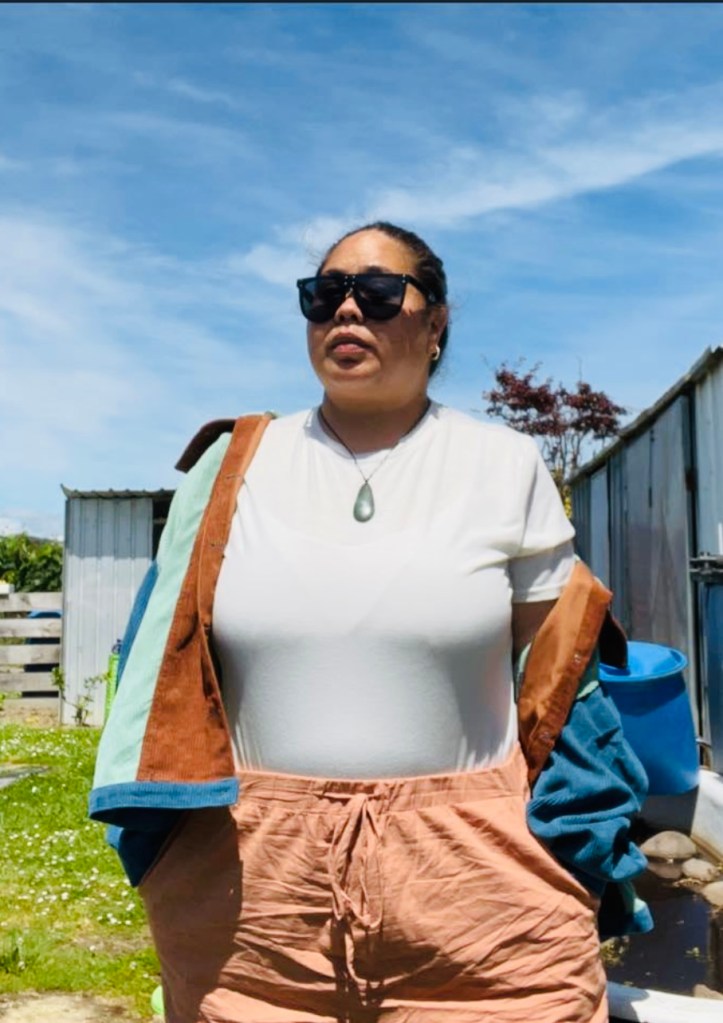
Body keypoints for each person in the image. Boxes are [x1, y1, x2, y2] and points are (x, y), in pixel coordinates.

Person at [90, 222, 645, 1023]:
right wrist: (167, 859)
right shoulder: (230, 470)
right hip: (250, 898)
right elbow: (163, 674)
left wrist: (571, 857)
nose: (346, 309)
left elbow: (558, 685)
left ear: (435, 321)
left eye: (378, 292)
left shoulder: (502, 463)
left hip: (478, 887)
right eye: (324, 294)